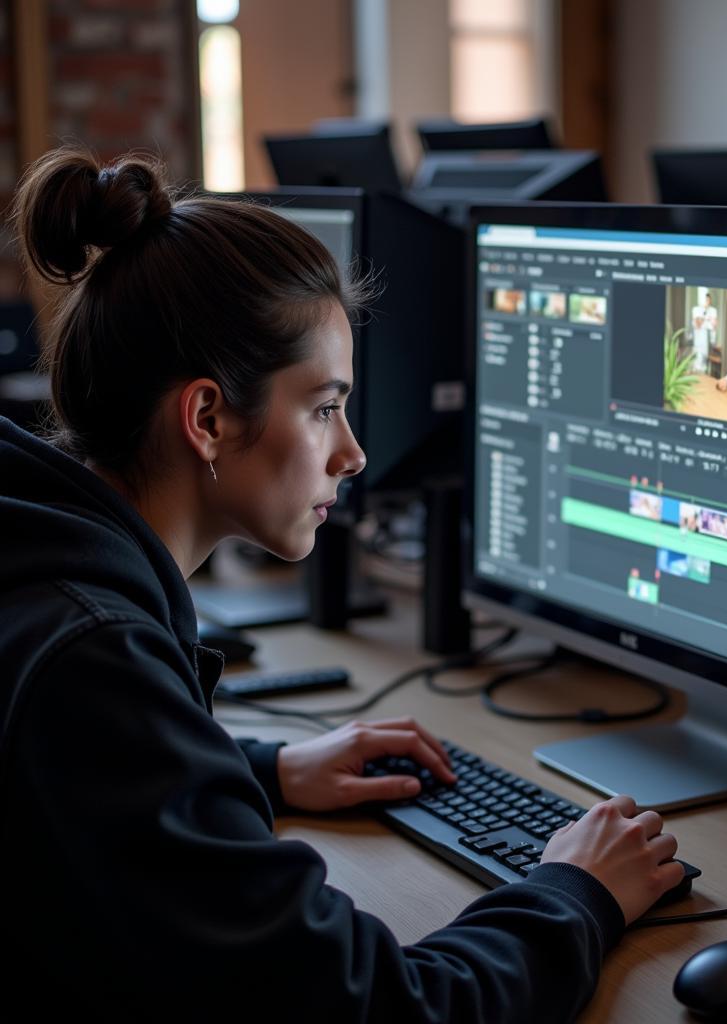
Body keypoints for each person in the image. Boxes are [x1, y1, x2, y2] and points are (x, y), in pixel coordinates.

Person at [0, 149, 684, 1019]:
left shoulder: (43, 564)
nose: (352, 452)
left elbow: (81, 785)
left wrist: (265, 771)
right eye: (325, 407)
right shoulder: (94, 662)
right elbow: (384, 1009)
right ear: (207, 418)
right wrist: (575, 890)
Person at [690, 290, 718, 373]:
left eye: (709, 300)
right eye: (706, 300)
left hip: (709, 340)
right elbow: (698, 324)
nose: (707, 302)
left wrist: (704, 320)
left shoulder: (713, 310)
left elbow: (714, 324)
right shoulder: (696, 309)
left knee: (706, 364)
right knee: (697, 362)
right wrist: (705, 314)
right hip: (698, 340)